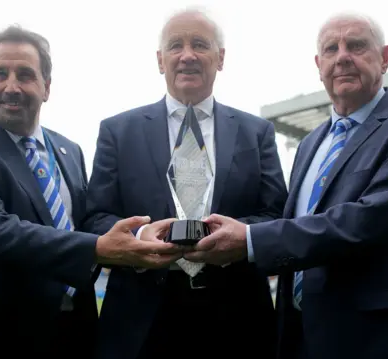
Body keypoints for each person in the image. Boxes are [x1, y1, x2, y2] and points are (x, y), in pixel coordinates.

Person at [185, 12, 388, 359]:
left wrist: (249, 240)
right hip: (304, 334)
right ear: (319, 64)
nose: (342, 56)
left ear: (384, 58)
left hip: (383, 338)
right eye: (331, 49)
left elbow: (367, 222)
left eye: (356, 46)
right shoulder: (311, 143)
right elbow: (293, 222)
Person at [0, 25, 181, 359]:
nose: (11, 86)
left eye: (25, 75)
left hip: (69, 333)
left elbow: (84, 223)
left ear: (46, 87)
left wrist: (139, 233)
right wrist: (100, 247)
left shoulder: (69, 150)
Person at [84, 8, 287, 359]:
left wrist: (239, 238)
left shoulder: (257, 133)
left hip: (237, 319)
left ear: (220, 58)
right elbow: (95, 217)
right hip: (141, 319)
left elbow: (276, 214)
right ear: (160, 60)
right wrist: (138, 240)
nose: (187, 55)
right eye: (175, 45)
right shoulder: (117, 132)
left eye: (200, 45)